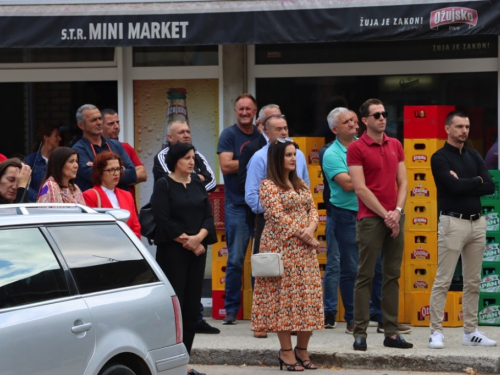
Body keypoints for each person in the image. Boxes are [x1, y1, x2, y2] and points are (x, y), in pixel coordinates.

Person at [251, 139, 323, 371]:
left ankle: (302, 349)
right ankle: (285, 350)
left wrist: (312, 228)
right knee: (285, 301)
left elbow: (313, 208)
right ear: (276, 158)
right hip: (282, 249)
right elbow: (277, 217)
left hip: (305, 252)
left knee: (307, 298)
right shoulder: (268, 185)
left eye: (294, 154)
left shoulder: (300, 182)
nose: (293, 158)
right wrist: (306, 237)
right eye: (288, 155)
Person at [347, 98, 412, 351]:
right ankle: (360, 332)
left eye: (384, 113)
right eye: (376, 115)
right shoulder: (357, 148)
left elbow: (404, 183)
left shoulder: (395, 143)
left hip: (395, 215)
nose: (382, 118)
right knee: (365, 275)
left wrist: (397, 212)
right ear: (365, 120)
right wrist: (388, 215)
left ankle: (391, 332)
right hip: (371, 219)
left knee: (392, 276)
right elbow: (360, 188)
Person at [428, 110, 497, 349]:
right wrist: (474, 181)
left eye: (466, 127)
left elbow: (489, 185)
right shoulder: (439, 158)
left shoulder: (475, 155)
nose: (464, 131)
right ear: (447, 129)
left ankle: (471, 331)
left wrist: (471, 182)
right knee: (443, 279)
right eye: (459, 127)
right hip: (452, 222)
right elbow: (452, 187)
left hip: (477, 223)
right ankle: (435, 332)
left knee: (473, 281)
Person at [151, 142, 217, 375]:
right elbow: (163, 220)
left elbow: (209, 218)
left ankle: (183, 362)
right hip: (173, 255)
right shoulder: (164, 184)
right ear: (175, 161)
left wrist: (198, 239)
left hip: (196, 253)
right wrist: (188, 242)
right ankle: (169, 362)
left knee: (190, 310)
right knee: (174, 310)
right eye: (187, 158)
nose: (192, 162)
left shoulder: (197, 183)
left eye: (193, 158)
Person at [244, 111, 307, 339]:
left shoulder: (298, 154)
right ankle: (262, 322)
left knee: (290, 278)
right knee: (268, 272)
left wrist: (303, 222)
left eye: (285, 128)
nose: (283, 132)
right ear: (266, 132)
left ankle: (288, 320)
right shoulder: (260, 158)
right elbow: (252, 195)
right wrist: (275, 210)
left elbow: (305, 185)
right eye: (278, 129)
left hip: (298, 225)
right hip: (269, 221)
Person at [217, 94, 261, 324]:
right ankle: (231, 310)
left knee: (261, 260)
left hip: (261, 207)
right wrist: (255, 160)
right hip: (236, 203)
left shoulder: (262, 134)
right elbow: (225, 165)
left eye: (249, 109)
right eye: (241, 109)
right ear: (235, 110)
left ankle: (260, 310)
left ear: (255, 111)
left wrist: (243, 161)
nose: (245, 112)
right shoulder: (228, 135)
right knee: (235, 260)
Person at [322, 107, 359, 334]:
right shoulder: (331, 153)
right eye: (347, 122)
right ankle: (351, 318)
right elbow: (346, 184)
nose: (354, 124)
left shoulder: (365, 145)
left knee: (376, 267)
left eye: (354, 120)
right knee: (349, 268)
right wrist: (372, 177)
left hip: (371, 212)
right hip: (345, 215)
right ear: (335, 129)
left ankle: (378, 317)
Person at [72, 104, 137, 192]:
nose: (99, 122)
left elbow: (132, 174)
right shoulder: (78, 150)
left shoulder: (115, 144)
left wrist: (99, 168)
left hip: (119, 202)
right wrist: (120, 169)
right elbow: (93, 176)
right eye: (94, 120)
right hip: (94, 203)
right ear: (81, 125)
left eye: (100, 118)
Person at [82, 151, 141, 238]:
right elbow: (91, 229)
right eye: (111, 170)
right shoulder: (90, 195)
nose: (116, 173)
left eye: (118, 169)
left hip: (127, 247)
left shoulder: (127, 195)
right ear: (99, 172)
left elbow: (136, 227)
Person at [101, 108, 147, 209]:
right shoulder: (97, 150)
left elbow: (142, 174)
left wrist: (112, 176)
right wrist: (126, 173)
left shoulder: (126, 147)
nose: (116, 126)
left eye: (117, 122)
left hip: (130, 209)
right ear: (100, 126)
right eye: (111, 124)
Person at [24, 125, 62, 202]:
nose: (60, 138)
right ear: (46, 138)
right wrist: (39, 197)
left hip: (57, 203)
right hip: (36, 205)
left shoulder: (60, 160)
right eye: (56, 136)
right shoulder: (30, 160)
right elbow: (24, 183)